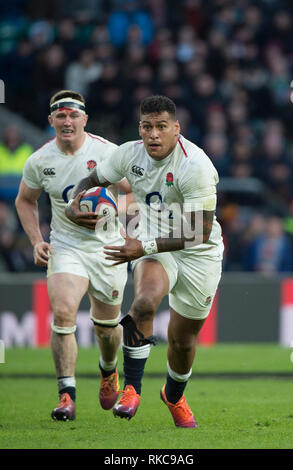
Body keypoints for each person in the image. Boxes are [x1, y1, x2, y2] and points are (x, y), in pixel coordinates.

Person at [66, 95, 224, 428]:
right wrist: (73, 200)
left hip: (198, 252)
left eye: (161, 127)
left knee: (183, 342)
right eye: (147, 127)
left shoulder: (195, 165)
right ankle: (132, 389)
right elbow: (92, 181)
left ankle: (174, 395)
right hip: (152, 244)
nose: (153, 134)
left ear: (176, 129)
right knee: (144, 302)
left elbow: (201, 230)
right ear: (140, 127)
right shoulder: (128, 154)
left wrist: (145, 244)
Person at [15, 89, 132, 421]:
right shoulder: (40, 160)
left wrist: (111, 210)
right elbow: (25, 200)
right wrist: (37, 240)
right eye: (61, 116)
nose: (67, 121)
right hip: (66, 248)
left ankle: (108, 371)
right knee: (64, 314)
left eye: (73, 115)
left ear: (84, 119)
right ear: (51, 121)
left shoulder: (107, 152)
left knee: (108, 329)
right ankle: (66, 395)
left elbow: (134, 195)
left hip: (107, 248)